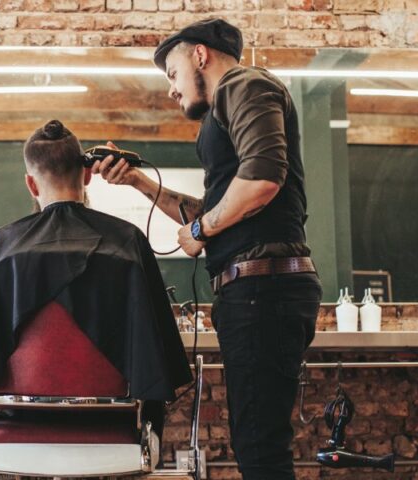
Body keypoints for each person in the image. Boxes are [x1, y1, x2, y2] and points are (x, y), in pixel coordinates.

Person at [92, 18, 323, 480]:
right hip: (257, 290)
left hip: (265, 288)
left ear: (200, 55)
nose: (172, 91)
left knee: (259, 447)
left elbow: (261, 181)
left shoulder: (244, 84)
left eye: (173, 73)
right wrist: (137, 180)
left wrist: (199, 230)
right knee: (256, 441)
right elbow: (219, 208)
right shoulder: (227, 113)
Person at [0, 119, 192, 480]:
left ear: (31, 183)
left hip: (18, 427)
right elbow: (154, 350)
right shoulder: (127, 243)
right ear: (87, 176)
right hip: (113, 429)